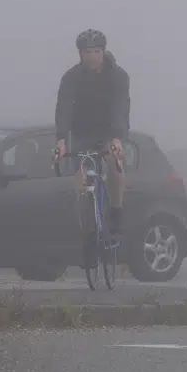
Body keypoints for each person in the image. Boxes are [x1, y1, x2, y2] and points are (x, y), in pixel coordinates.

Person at [54, 29, 130, 262]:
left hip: (109, 131)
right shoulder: (71, 77)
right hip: (82, 133)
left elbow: (121, 107)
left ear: (104, 52)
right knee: (82, 183)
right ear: (80, 54)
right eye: (87, 52)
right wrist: (61, 141)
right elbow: (64, 108)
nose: (92, 56)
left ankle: (116, 211)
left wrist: (117, 137)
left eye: (96, 51)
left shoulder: (118, 76)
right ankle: (88, 236)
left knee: (114, 162)